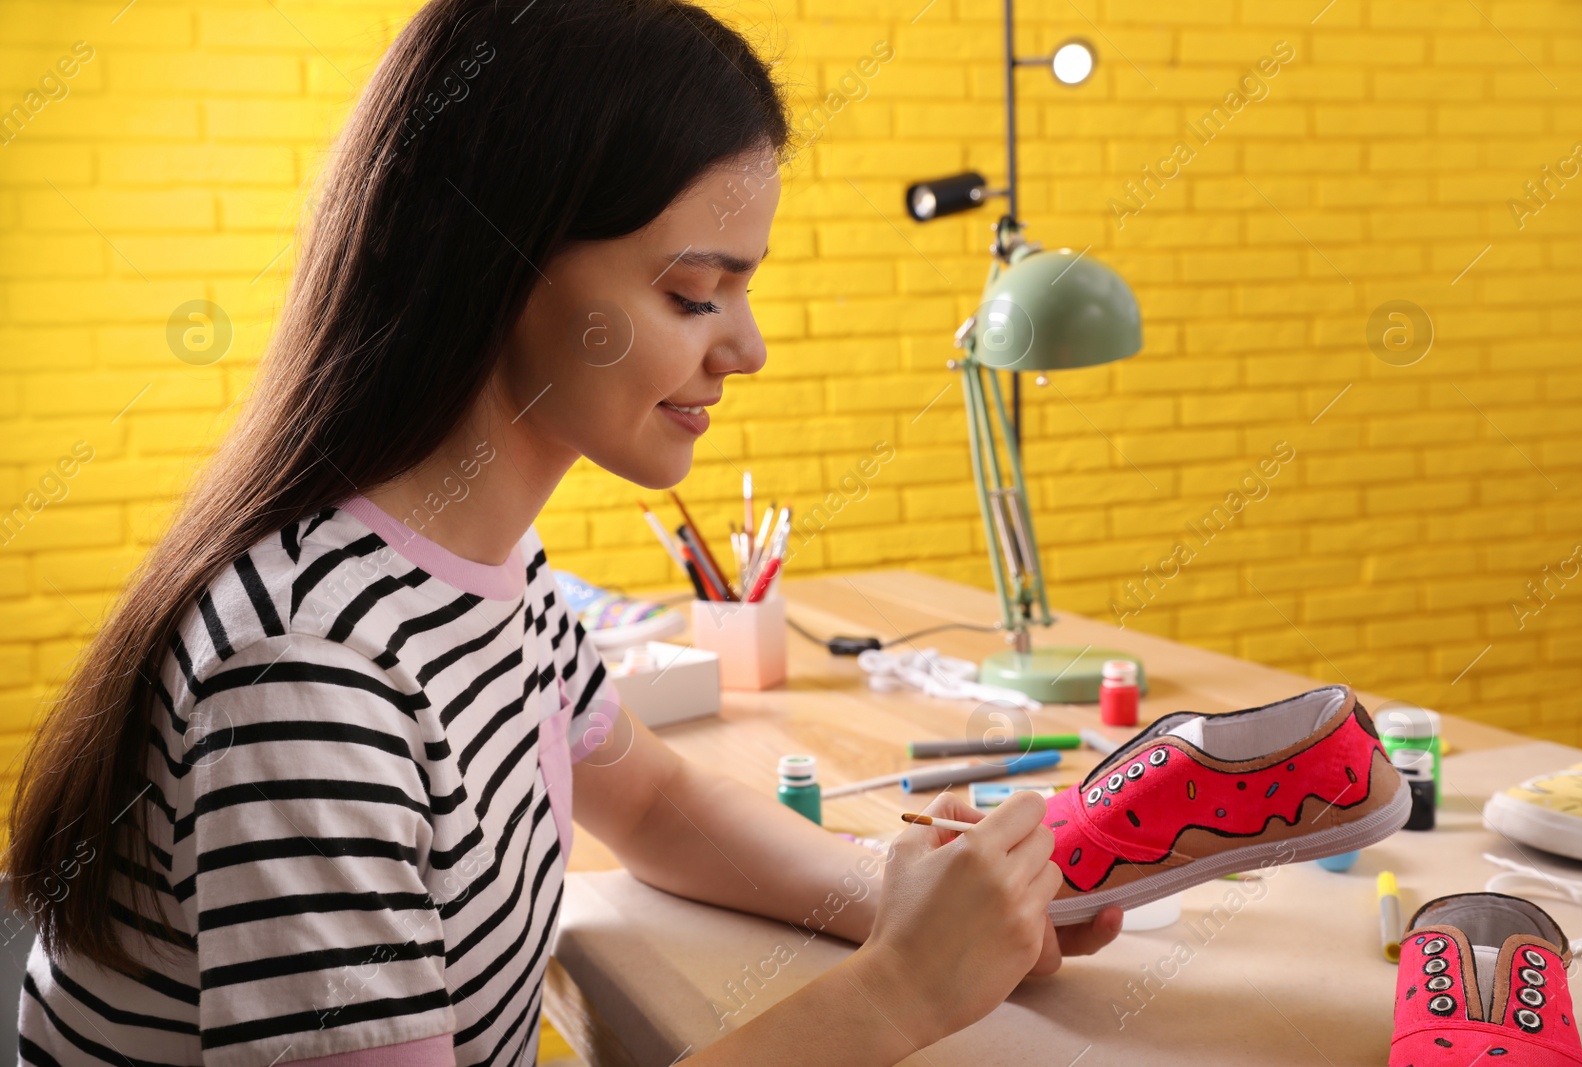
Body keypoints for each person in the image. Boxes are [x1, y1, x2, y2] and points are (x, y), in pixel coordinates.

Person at [6, 1, 1121, 1063]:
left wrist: (914, 896)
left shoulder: (494, 570)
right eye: (693, 293)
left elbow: (655, 800)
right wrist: (902, 988)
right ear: (497, 267)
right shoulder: (309, 675)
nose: (748, 347)